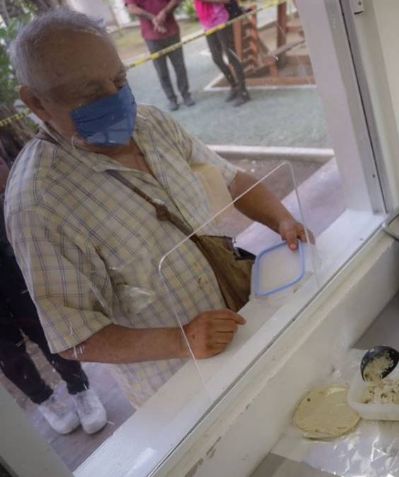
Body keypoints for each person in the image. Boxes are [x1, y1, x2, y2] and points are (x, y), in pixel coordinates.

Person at [5, 9, 308, 407]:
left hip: (246, 322)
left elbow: (231, 178)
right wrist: (181, 339)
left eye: (120, 80)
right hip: (180, 386)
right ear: (37, 103)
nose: (117, 100)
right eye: (93, 94)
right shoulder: (39, 203)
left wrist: (283, 219)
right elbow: (74, 336)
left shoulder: (152, 124)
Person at [1, 158, 106, 435]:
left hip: (5, 244)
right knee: (5, 349)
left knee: (41, 322)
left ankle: (79, 387)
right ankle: (44, 400)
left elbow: (5, 175)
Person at [125, 0, 195, 111]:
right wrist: (153, 17)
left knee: (180, 66)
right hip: (151, 36)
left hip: (172, 31)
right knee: (162, 71)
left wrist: (165, 12)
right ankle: (171, 99)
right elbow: (131, 7)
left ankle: (186, 94)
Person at [195, 0, 250, 106]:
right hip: (207, 24)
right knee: (216, 58)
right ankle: (234, 86)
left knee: (231, 57)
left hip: (221, 21)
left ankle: (243, 92)